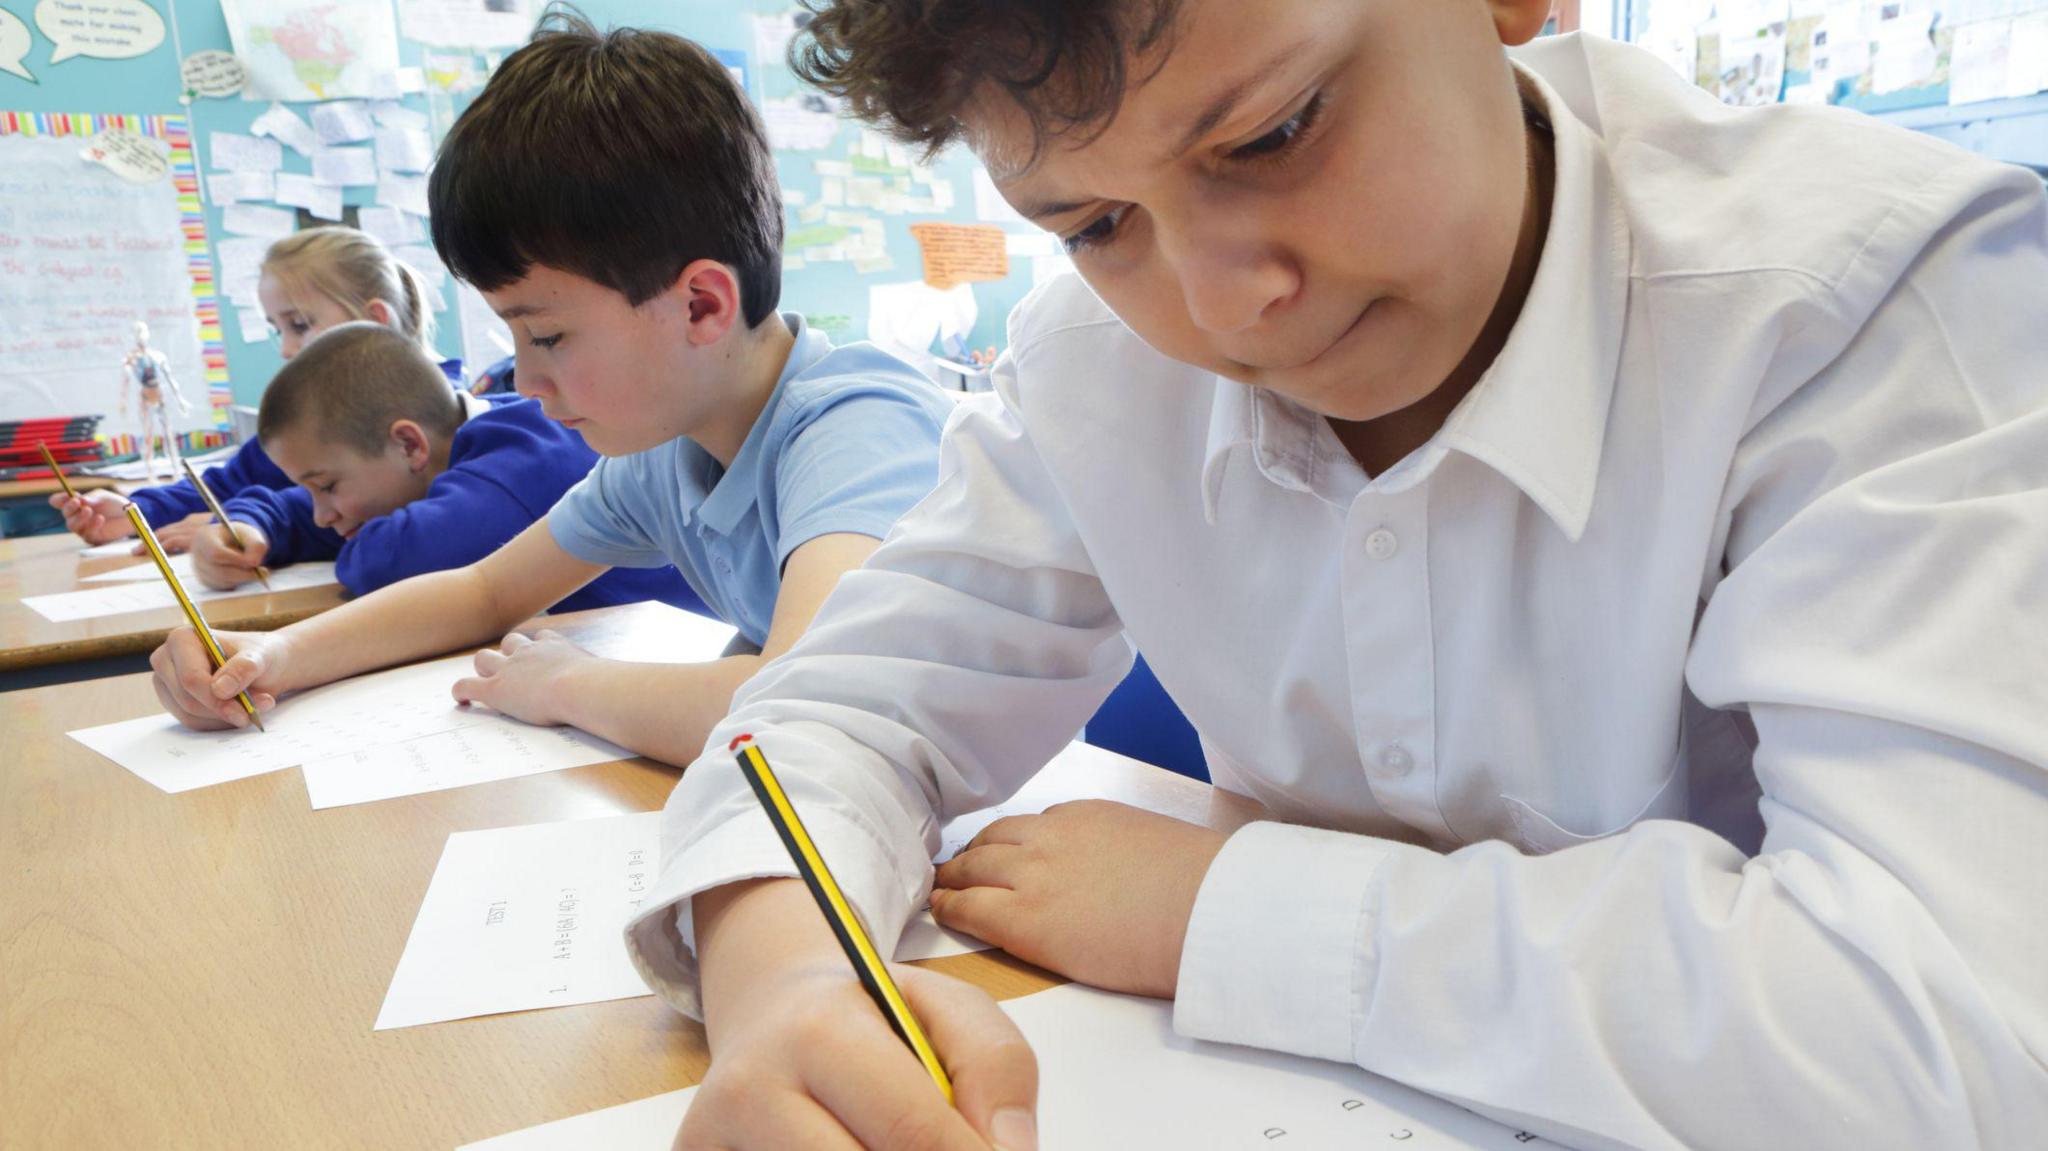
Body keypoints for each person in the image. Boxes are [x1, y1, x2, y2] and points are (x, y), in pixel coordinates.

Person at [625, 2, 2048, 1149]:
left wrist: (1227, 907)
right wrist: (791, 992)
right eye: (1093, 226)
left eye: (1275, 132)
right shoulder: (1096, 365)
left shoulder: (1874, 303)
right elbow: (832, 718)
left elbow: (1957, 1038)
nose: (1222, 302)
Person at [147, 14, 953, 772]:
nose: (526, 383)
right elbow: (484, 590)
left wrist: (566, 683)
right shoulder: (672, 449)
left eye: (549, 336)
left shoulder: (857, 425)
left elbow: (806, 714)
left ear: (701, 305)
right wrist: (273, 655)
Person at [187, 322, 698, 614]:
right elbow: (293, 509)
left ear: (408, 445)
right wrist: (249, 526)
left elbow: (392, 563)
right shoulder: (457, 448)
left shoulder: (522, 458)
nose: (322, 514)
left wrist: (334, 532)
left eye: (328, 486)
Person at [51, 227, 450, 554]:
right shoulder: (307, 418)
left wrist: (234, 525)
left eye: (299, 324)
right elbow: (227, 483)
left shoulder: (443, 417)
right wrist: (137, 511)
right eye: (278, 329)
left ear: (373, 319)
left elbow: (391, 517)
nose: (286, 348)